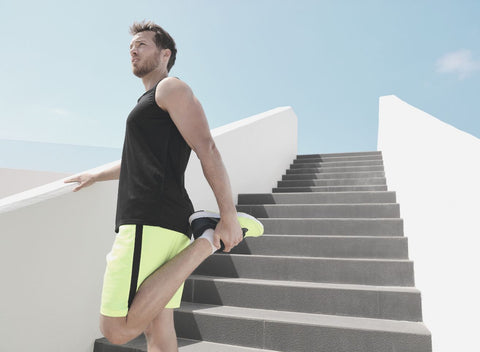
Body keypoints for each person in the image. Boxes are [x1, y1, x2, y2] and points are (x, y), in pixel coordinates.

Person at [64, 20, 263, 352]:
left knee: (116, 328)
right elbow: (138, 160)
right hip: (161, 220)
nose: (133, 49)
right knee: (158, 327)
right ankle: (204, 233)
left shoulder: (171, 89)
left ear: (165, 53)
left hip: (149, 218)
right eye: (131, 46)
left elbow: (207, 148)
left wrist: (228, 216)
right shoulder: (149, 102)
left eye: (142, 44)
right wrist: (96, 175)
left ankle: (206, 239)